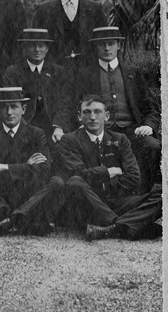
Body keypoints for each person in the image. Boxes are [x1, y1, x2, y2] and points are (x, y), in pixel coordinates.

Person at [66, 26, 160, 193]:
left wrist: (148, 126)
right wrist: (81, 123)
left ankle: (143, 194)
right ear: (96, 47)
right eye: (102, 44)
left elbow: (150, 108)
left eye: (111, 43)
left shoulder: (133, 73)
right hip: (102, 131)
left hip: (132, 131)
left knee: (153, 146)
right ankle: (107, 198)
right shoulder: (85, 75)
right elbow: (74, 106)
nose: (107, 48)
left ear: (119, 45)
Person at [59, 95, 161, 241]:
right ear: (79, 116)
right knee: (75, 181)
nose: (92, 117)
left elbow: (133, 178)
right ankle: (131, 223)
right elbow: (78, 174)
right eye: (87, 112)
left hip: (117, 201)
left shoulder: (119, 139)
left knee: (163, 193)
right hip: (88, 202)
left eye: (97, 112)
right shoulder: (69, 140)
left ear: (106, 116)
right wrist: (109, 172)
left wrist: (100, 181)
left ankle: (114, 228)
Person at [0, 88, 63, 236]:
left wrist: (2, 167)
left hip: (26, 194)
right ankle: (13, 217)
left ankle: (10, 221)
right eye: (5, 107)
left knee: (57, 182)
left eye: (14, 107)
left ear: (23, 109)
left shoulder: (36, 133)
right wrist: (27, 166)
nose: (9, 112)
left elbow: (44, 168)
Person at [2, 28, 69, 155]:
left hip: (52, 126)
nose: (37, 50)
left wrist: (59, 127)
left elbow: (65, 103)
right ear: (25, 48)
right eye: (32, 46)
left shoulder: (58, 72)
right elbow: (9, 102)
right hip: (24, 125)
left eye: (41, 45)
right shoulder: (13, 72)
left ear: (47, 48)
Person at [31, 0, 107, 66]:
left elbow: (104, 43)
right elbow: (34, 44)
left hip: (87, 74)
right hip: (53, 75)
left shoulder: (95, 9)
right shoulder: (43, 10)